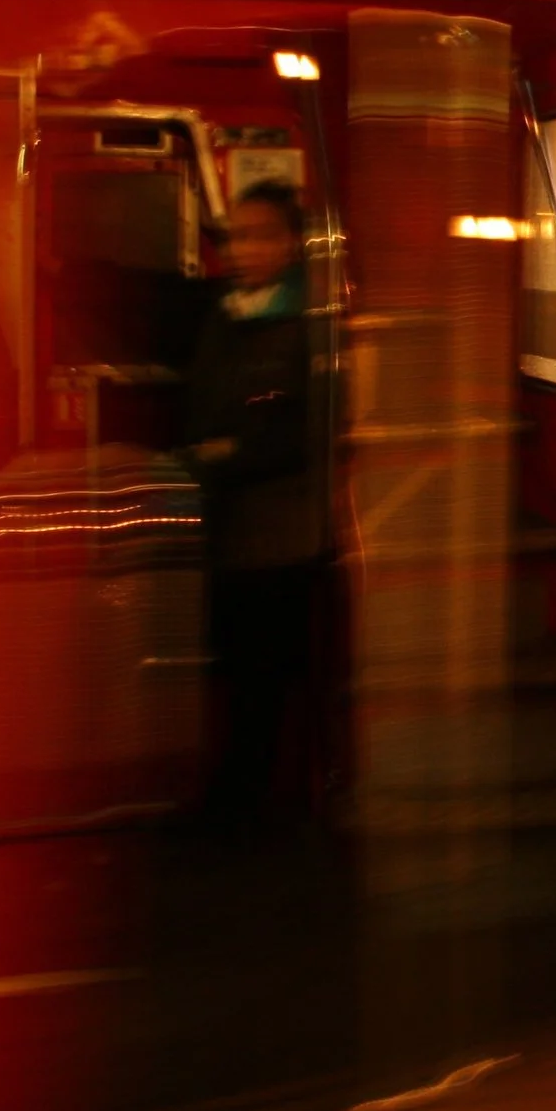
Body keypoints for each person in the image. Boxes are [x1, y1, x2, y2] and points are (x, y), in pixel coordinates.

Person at [183, 182, 333, 833]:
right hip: (228, 523)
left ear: (291, 244)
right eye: (234, 237)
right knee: (233, 664)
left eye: (257, 236)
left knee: (261, 673)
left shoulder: (308, 324)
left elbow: (305, 432)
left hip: (279, 531)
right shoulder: (226, 314)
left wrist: (227, 452)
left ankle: (250, 808)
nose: (241, 250)